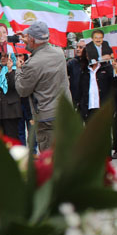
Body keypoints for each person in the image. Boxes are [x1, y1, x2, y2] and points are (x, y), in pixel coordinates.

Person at [15, 21, 71, 152]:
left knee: (50, 161)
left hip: (46, 118)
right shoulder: (59, 53)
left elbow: (22, 90)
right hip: (64, 112)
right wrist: (29, 42)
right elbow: (41, 50)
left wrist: (18, 70)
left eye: (28, 37)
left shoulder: (33, 63)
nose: (26, 39)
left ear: (33, 40)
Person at [0, 52, 22, 138]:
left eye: (6, 56)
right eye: (1, 56)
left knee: (11, 139)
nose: (3, 58)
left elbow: (14, 86)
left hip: (11, 112)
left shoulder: (17, 71)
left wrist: (10, 71)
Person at [79, 47, 114, 121]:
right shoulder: (84, 71)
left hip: (102, 107)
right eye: (88, 55)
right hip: (89, 107)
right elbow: (80, 90)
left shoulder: (106, 68)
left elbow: (114, 83)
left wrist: (116, 71)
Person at [67, 40, 86, 111]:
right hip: (75, 98)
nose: (78, 49)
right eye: (77, 47)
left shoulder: (92, 63)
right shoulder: (72, 63)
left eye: (81, 47)